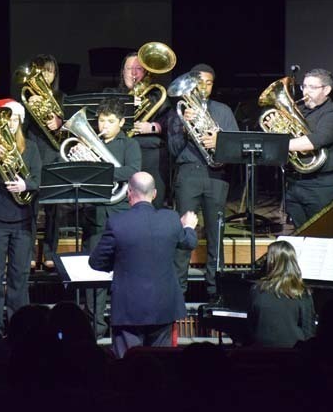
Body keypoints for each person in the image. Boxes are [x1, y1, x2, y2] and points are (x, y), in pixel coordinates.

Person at [89, 172, 198, 357]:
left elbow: (97, 262)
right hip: (163, 307)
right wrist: (188, 226)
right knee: (163, 364)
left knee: (127, 367)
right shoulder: (171, 219)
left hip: (128, 310)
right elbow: (189, 242)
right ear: (154, 194)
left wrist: (119, 262)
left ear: (129, 193)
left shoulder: (116, 223)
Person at [167, 63, 238, 301]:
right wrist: (186, 130)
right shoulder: (178, 112)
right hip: (189, 174)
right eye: (200, 82)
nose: (204, 87)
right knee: (183, 233)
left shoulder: (224, 110)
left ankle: (214, 290)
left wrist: (219, 142)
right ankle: (178, 290)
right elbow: (173, 150)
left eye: (209, 83)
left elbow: (235, 148)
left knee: (215, 235)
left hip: (216, 176)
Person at [0, 100, 42, 336]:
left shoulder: (31, 148)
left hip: (23, 219)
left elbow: (38, 181)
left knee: (19, 277)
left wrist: (26, 184)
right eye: (6, 118)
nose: (9, 124)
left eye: (14, 119)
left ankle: (19, 328)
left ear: (20, 122)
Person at [81, 97, 142, 339]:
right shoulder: (88, 142)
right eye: (101, 120)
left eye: (110, 121)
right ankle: (94, 327)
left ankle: (123, 326)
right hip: (95, 213)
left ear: (122, 123)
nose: (104, 125)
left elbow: (133, 171)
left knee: (124, 274)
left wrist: (104, 171)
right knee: (93, 275)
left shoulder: (129, 145)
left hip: (121, 214)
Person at [285, 68, 333, 228]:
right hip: (296, 184)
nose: (306, 91)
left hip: (324, 186)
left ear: (326, 90)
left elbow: (314, 141)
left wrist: (277, 145)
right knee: (301, 236)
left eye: (312, 87)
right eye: (304, 86)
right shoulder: (299, 111)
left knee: (324, 237)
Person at [22, 54, 65, 269]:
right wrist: (30, 108)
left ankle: (50, 252)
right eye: (42, 70)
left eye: (49, 70)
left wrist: (59, 121)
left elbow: (70, 128)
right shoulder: (27, 95)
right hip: (34, 154)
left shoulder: (62, 97)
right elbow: (21, 129)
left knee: (54, 209)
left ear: (55, 74)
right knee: (31, 206)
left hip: (54, 154)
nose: (45, 75)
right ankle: (29, 252)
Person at [115, 51, 170, 208]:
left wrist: (153, 127)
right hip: (121, 155)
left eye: (138, 68)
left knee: (152, 205)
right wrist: (127, 105)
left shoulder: (156, 95)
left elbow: (172, 122)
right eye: (128, 68)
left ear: (145, 72)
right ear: (122, 72)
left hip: (150, 156)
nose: (133, 73)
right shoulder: (113, 95)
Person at [248, 240, 316, 347]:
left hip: (262, 353)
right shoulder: (302, 292)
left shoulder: (257, 289)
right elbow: (308, 332)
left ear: (271, 262)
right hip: (293, 354)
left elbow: (251, 326)